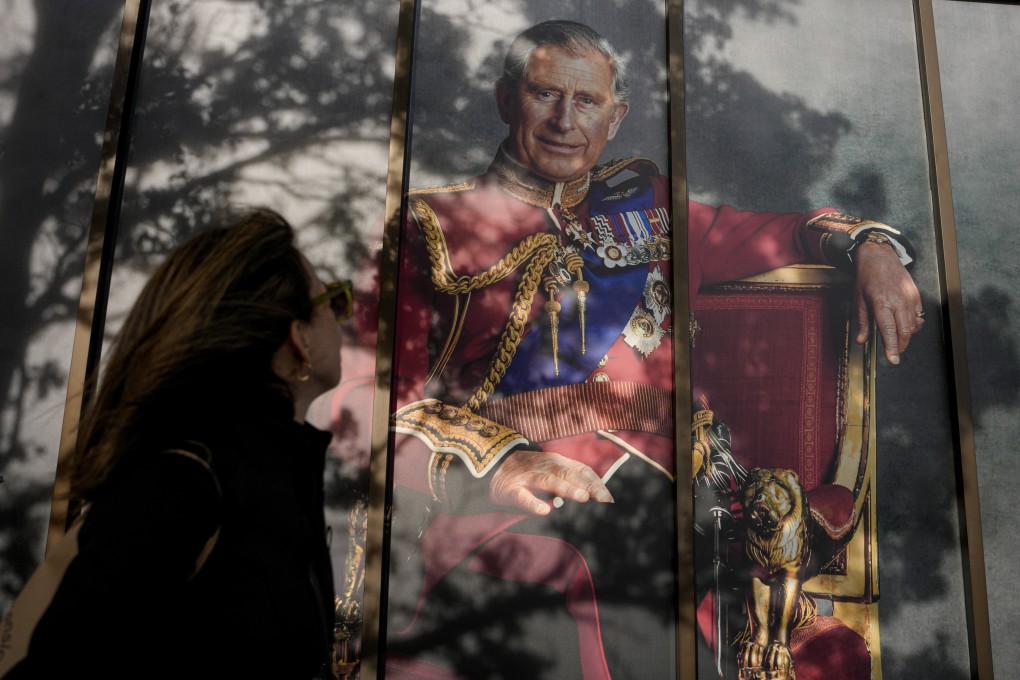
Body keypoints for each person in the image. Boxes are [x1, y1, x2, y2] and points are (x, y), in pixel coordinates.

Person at [381, 20, 923, 679]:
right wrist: (499, 466)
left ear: (616, 117)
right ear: (505, 99)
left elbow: (785, 233)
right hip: (513, 495)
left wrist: (870, 247)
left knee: (648, 543)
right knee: (590, 564)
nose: (564, 120)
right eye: (545, 94)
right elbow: (370, 403)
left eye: (586, 101)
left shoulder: (651, 207)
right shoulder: (433, 226)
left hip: (677, 491)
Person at [0, 209, 350, 678]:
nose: (343, 320)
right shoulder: (183, 483)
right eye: (334, 301)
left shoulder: (275, 479)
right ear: (298, 337)